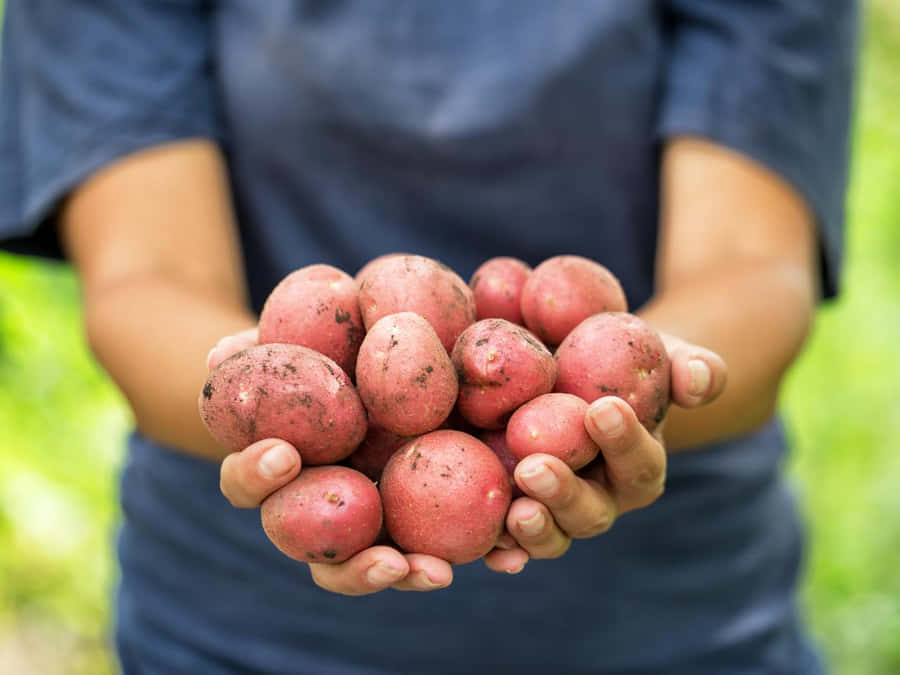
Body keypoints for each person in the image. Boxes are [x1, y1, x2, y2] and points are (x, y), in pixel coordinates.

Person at [0, 1, 857, 673]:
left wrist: (641, 388)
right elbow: (143, 280)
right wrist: (253, 387)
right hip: (247, 635)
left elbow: (751, 266)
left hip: (674, 624)